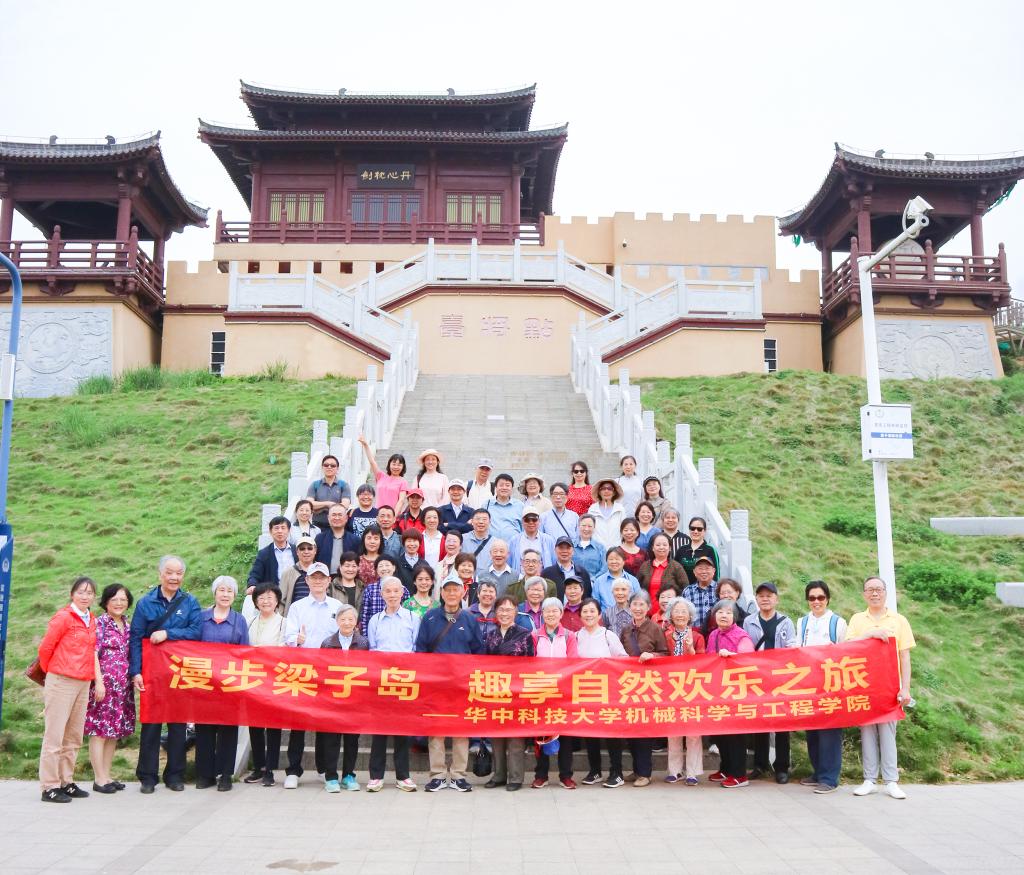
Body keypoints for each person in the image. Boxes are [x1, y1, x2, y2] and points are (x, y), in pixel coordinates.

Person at [130, 556, 202, 794]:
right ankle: (147, 776)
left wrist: (167, 633)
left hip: (179, 673)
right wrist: (136, 671)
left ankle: (175, 775)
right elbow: (135, 639)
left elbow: (196, 631)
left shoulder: (190, 602)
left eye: (179, 573)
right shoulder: (145, 603)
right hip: (152, 674)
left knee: (178, 726)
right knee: (151, 725)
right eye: (169, 573)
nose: (174, 577)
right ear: (160, 574)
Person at [847, 576, 915, 801]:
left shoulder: (899, 620)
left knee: (888, 734)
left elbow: (905, 656)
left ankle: (891, 780)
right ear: (864, 594)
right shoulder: (857, 619)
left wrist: (905, 688)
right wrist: (869, 635)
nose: (874, 593)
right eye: (870, 590)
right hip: (864, 686)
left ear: (885, 592)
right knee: (867, 733)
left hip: (889, 686)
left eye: (878, 589)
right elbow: (847, 646)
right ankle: (869, 779)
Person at [38, 576, 103, 803]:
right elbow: (46, 648)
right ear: (72, 594)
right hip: (61, 680)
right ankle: (49, 786)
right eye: (81, 592)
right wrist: (53, 672)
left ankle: (66, 781)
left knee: (73, 736)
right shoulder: (63, 617)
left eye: (89, 593)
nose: (85, 596)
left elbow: (92, 651)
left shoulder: (91, 619)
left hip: (83, 682)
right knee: (54, 736)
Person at [415, 577, 484, 791]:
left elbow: (478, 651)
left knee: (460, 730)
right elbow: (421, 650)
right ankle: (437, 774)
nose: (452, 594)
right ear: (442, 593)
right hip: (436, 685)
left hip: (462, 685)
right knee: (436, 729)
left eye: (456, 590)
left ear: (463, 593)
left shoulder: (469, 619)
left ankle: (458, 775)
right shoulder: (430, 617)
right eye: (448, 590)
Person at [282, 563, 342, 789]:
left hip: (328, 672)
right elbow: (288, 636)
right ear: (306, 581)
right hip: (303, 669)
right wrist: (296, 640)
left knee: (325, 722)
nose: (318, 581)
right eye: (313, 577)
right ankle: (293, 770)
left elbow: (343, 635)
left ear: (328, 581)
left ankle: (323, 769)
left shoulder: (337, 606)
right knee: (298, 722)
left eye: (322, 577)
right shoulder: (297, 607)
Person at [366, 577, 421, 792]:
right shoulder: (375, 620)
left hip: (405, 681)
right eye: (387, 591)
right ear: (381, 594)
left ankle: (403, 776)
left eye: (395, 591)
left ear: (402, 593)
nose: (392, 595)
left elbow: (415, 649)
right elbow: (372, 650)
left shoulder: (413, 618)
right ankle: (376, 776)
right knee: (379, 730)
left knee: (402, 731)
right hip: (381, 681)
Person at [195, 576, 249, 791]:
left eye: (229, 591)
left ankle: (225, 774)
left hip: (229, 684)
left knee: (228, 730)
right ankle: (205, 774)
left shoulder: (239, 620)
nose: (225, 595)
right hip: (204, 683)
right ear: (215, 593)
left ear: (234, 595)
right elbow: (191, 647)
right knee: (204, 729)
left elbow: (244, 652)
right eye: (221, 590)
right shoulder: (201, 618)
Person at [797, 580, 848, 794]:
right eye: (812, 598)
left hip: (831, 684)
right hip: (809, 683)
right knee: (812, 731)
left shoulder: (838, 622)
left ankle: (829, 778)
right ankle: (818, 772)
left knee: (829, 732)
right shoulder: (802, 622)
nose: (816, 601)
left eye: (820, 597)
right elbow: (797, 650)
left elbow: (846, 653)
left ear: (827, 599)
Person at [743, 582, 797, 784]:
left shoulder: (785, 622)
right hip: (757, 678)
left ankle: (782, 767)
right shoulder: (749, 621)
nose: (765, 599)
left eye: (769, 595)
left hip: (780, 679)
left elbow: (792, 647)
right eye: (761, 596)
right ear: (756, 599)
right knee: (759, 721)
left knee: (782, 723)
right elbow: (745, 646)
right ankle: (760, 764)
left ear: (776, 599)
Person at [85, 584, 135, 795]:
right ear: (106, 602)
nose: (119, 603)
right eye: (114, 599)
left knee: (113, 732)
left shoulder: (127, 625)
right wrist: (99, 682)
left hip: (122, 689)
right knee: (99, 732)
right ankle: (98, 778)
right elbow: (93, 654)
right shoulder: (100, 623)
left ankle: (107, 775)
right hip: (104, 687)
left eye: (123, 599)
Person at [574, 597, 628, 787]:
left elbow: (623, 658)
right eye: (585, 611)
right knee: (590, 732)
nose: (589, 615)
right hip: (584, 691)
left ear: (599, 615)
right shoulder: (575, 636)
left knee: (611, 731)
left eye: (592, 611)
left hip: (608, 691)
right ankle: (595, 771)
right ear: (580, 615)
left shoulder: (608, 635)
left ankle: (617, 772)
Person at [483, 596, 534, 791]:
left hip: (517, 692)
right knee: (496, 735)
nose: (504, 613)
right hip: (496, 690)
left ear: (516, 612)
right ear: (496, 612)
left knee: (515, 737)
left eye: (509, 609)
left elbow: (531, 664)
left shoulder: (525, 634)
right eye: (501, 610)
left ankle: (515, 777)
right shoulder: (491, 635)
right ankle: (498, 775)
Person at [619, 591, 668, 786]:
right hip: (629, 685)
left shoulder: (655, 629)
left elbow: (665, 654)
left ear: (648, 608)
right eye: (634, 604)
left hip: (648, 685)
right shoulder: (625, 630)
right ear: (629, 607)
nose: (638, 608)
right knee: (630, 729)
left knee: (644, 730)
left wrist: (652, 656)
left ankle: (645, 773)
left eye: (642, 605)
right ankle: (636, 769)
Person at [319, 603, 368, 792]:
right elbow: (321, 669)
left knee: (352, 739)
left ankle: (349, 775)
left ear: (356, 622)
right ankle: (331, 777)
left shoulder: (363, 643)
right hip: (332, 699)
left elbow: (368, 670)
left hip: (355, 699)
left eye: (350, 619)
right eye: (343, 619)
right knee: (331, 739)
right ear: (337, 621)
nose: (347, 622)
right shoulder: (327, 643)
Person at [531, 598, 578, 789]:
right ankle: (541, 775)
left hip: (563, 691)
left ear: (561, 613)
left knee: (565, 735)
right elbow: (529, 662)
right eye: (547, 611)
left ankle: (565, 775)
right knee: (541, 734)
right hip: (540, 691)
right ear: (542, 614)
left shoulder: (569, 636)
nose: (551, 614)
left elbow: (573, 662)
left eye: (554, 611)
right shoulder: (534, 635)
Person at [706, 598, 754, 789]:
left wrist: (732, 657)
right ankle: (725, 769)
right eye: (720, 612)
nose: (724, 615)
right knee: (721, 733)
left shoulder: (741, 636)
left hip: (736, 692)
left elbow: (748, 661)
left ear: (735, 616)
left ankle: (739, 774)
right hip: (718, 691)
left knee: (735, 734)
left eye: (728, 612)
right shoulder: (713, 635)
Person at [243, 582, 285, 786]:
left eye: (270, 597)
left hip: (275, 680)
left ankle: (270, 769)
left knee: (274, 727)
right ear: (255, 602)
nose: (265, 601)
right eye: (261, 598)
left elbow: (285, 648)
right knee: (255, 726)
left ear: (277, 601)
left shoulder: (284, 623)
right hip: (253, 680)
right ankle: (259, 766)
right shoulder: (249, 622)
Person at [662, 597, 705, 786]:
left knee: (693, 732)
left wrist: (690, 649)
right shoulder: (665, 636)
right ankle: (674, 770)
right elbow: (662, 656)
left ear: (690, 616)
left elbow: (704, 663)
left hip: (693, 688)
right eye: (676, 611)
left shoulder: (697, 636)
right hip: (671, 688)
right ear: (671, 615)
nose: (680, 615)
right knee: (673, 730)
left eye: (684, 611)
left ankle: (693, 772)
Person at [359, 558, 411, 634]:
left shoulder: (402, 589)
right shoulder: (370, 589)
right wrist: (366, 635)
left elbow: (407, 613)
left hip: (399, 631)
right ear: (376, 570)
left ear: (393, 568)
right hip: (375, 631)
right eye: (381, 566)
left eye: (387, 565)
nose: (384, 568)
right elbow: (365, 615)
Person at [359, 435, 409, 512]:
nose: (396, 467)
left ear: (403, 467)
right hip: (378, 514)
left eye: (399, 465)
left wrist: (394, 516)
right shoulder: (381, 476)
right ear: (389, 465)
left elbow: (401, 501)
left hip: (392, 515)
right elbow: (372, 462)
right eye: (394, 464)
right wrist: (365, 445)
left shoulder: (403, 482)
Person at [637, 533, 687, 608]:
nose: (661, 547)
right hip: (647, 610)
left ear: (670, 548)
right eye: (658, 545)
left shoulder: (677, 567)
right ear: (652, 548)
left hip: (669, 611)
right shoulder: (645, 566)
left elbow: (685, 589)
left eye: (664, 545)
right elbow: (637, 588)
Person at [274, 535, 319, 617]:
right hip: (295, 617)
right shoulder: (288, 573)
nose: (306, 551)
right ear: (297, 552)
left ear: (315, 550)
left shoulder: (322, 571)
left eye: (310, 548)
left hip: (318, 616)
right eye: (302, 549)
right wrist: (280, 621)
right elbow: (281, 601)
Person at [247, 516, 297, 587]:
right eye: (276, 528)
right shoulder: (264, 553)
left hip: (295, 590)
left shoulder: (297, 551)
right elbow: (255, 574)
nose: (280, 531)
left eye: (283, 528)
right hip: (274, 591)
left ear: (289, 531)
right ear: (270, 531)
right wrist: (252, 585)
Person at [307, 454, 351, 528]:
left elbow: (345, 505)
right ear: (322, 467)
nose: (329, 467)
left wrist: (319, 508)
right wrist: (327, 504)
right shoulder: (315, 485)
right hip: (317, 525)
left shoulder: (344, 485)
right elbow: (309, 504)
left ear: (337, 468)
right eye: (326, 465)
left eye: (333, 465)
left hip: (338, 525)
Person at [593, 547, 641, 612]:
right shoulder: (599, 581)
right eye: (611, 559)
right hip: (606, 617)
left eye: (617, 559)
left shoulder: (633, 580)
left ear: (624, 561)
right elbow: (595, 605)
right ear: (606, 561)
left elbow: (638, 602)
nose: (614, 562)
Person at [676, 516, 720, 584]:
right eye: (692, 528)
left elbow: (716, 575)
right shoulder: (681, 550)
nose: (695, 531)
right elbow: (675, 571)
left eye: (699, 529)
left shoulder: (710, 550)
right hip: (683, 589)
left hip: (704, 589)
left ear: (704, 531)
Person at [682, 555, 719, 632]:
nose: (704, 571)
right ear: (694, 572)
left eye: (707, 568)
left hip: (716, 633)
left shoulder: (720, 589)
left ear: (713, 571)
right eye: (700, 568)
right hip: (694, 633)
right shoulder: (688, 591)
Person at [315, 502, 353, 575]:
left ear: (346, 518)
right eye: (334, 515)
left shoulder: (355, 540)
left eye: (340, 515)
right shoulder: (319, 538)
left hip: (346, 578)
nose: (337, 518)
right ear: (328, 518)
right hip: (324, 578)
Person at [485, 473, 524, 542]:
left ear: (512, 488)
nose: (504, 488)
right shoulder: (486, 504)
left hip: (514, 545)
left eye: (507, 485)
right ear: (496, 487)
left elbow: (524, 527)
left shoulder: (520, 505)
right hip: (491, 545)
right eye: (501, 485)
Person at [588, 478, 625, 548]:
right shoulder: (592, 509)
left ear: (614, 492)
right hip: (597, 548)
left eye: (610, 489)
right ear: (599, 492)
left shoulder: (620, 509)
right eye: (603, 488)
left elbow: (624, 529)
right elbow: (589, 529)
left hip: (616, 548)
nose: (606, 491)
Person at [345, 484, 379, 550]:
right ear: (357, 496)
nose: (366, 497)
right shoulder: (351, 513)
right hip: (354, 548)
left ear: (373, 496)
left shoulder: (378, 513)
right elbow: (346, 531)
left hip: (373, 549)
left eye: (369, 494)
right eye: (362, 494)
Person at [573, 514, 606, 579]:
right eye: (583, 525)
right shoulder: (570, 545)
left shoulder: (600, 548)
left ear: (594, 528)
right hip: (572, 583)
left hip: (594, 583)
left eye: (590, 526)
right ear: (578, 526)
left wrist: (593, 580)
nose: (586, 529)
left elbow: (604, 568)